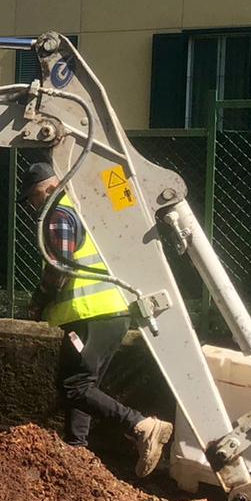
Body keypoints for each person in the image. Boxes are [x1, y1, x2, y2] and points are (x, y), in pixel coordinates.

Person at [24, 159, 175, 476]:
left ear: (50, 189)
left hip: (89, 314)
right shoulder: (88, 210)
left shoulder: (58, 214)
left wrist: (38, 302)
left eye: (35, 196)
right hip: (112, 312)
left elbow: (60, 267)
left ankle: (142, 425)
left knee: (73, 386)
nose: (33, 205)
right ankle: (76, 454)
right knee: (83, 385)